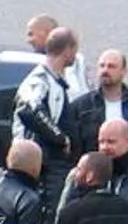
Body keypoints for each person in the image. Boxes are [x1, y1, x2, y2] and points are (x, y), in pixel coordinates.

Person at [13, 26, 81, 170]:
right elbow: (29, 108)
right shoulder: (40, 80)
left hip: (47, 161)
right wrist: (60, 138)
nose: (76, 54)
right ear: (68, 49)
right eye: (75, 49)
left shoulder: (56, 81)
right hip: (32, 161)